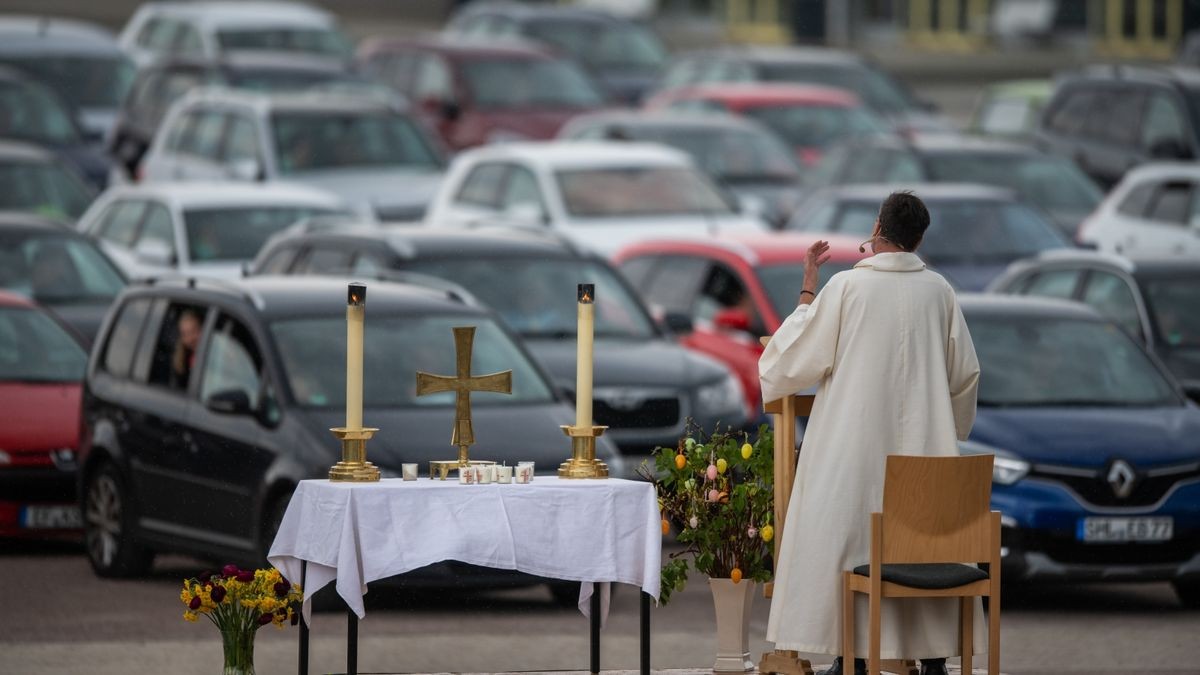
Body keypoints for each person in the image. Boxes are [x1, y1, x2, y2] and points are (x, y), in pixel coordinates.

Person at [759, 191, 981, 675]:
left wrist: (806, 288)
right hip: (925, 453)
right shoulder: (940, 291)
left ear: (878, 225)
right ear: (919, 238)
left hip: (852, 447)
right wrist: (949, 430)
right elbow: (964, 375)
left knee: (851, 539)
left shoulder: (847, 289)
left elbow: (793, 358)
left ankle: (852, 654)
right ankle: (933, 656)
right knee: (921, 546)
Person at [171, 310, 203, 390]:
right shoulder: (181, 364)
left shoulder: (219, 356)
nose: (190, 339)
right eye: (185, 334)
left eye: (194, 331)